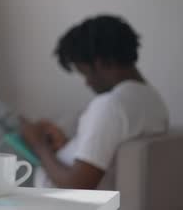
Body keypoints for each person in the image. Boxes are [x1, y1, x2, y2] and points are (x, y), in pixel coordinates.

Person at [21, 15, 169, 190]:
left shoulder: (111, 105)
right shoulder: (152, 99)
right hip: (48, 177)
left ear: (101, 63)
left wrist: (38, 144)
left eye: (84, 73)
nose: (87, 83)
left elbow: (78, 185)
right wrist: (67, 145)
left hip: (40, 193)